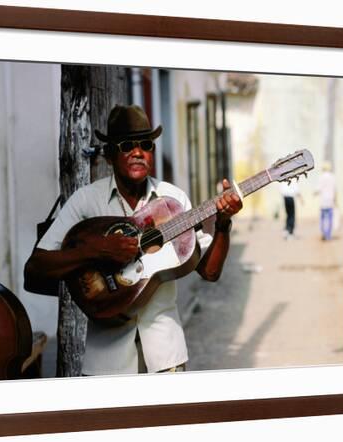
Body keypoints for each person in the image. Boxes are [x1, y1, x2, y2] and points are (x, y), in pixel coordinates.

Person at [24, 104, 242, 376]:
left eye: (146, 144)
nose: (138, 152)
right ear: (110, 154)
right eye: (127, 145)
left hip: (166, 357)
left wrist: (222, 223)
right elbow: (36, 265)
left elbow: (209, 272)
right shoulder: (86, 201)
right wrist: (97, 250)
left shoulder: (172, 201)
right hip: (106, 363)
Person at [317, 161, 337, 240]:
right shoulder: (332, 177)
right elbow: (335, 190)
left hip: (323, 201)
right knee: (329, 218)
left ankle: (323, 232)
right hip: (330, 200)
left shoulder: (321, 177)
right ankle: (328, 234)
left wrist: (314, 193)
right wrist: (335, 201)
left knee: (322, 218)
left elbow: (318, 189)